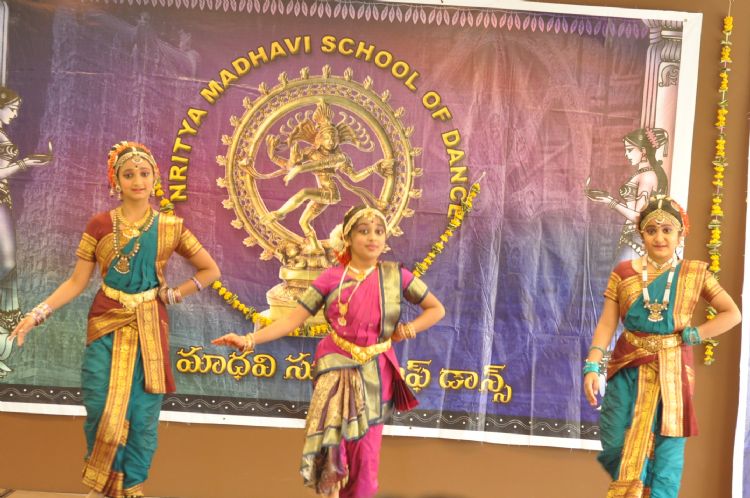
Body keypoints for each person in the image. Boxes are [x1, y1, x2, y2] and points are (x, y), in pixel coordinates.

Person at [10, 141, 220, 498]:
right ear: (116, 181)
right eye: (129, 174)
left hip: (149, 329)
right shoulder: (100, 224)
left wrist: (175, 294)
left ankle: (130, 487)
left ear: (155, 179)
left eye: (144, 173)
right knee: (99, 405)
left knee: (141, 414)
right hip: (105, 322)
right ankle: (103, 486)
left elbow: (210, 270)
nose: (138, 181)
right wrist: (36, 314)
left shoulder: (170, 227)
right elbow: (76, 282)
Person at [213, 204, 445, 498]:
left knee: (366, 458)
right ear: (347, 238)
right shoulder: (330, 278)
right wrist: (249, 339)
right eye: (364, 231)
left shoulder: (396, 276)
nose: (373, 238)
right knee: (333, 453)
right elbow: (291, 320)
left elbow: (436, 309)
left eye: (379, 231)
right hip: (335, 368)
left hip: (376, 374)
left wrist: (408, 329)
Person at [583, 195, 741, 498]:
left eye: (667, 230)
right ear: (641, 233)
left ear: (681, 234)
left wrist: (695, 334)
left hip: (673, 370)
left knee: (668, 445)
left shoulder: (694, 273)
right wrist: (592, 365)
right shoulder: (623, 272)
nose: (659, 237)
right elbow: (606, 324)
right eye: (652, 230)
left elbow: (732, 313)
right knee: (615, 441)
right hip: (627, 365)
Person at [0, 85, 53, 376]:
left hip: (4, 198)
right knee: (6, 263)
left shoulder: (4, 133)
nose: (16, 113)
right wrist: (25, 163)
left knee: (9, 265)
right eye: (12, 108)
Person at [585, 128, 669, 259]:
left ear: (643, 151)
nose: (626, 154)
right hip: (630, 236)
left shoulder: (647, 176)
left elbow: (640, 218)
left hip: (636, 238)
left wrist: (610, 201)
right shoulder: (642, 173)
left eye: (629, 150)